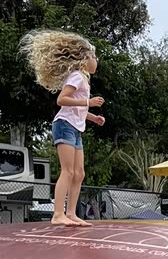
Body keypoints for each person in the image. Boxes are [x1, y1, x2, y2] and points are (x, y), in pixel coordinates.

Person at [20, 30, 105, 227]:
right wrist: (89, 102)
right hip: (64, 125)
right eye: (94, 57)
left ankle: (71, 213)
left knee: (79, 173)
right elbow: (62, 100)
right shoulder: (76, 76)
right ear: (85, 59)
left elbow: (77, 107)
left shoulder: (84, 79)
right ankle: (58, 214)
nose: (96, 60)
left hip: (75, 128)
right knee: (68, 171)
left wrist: (93, 118)